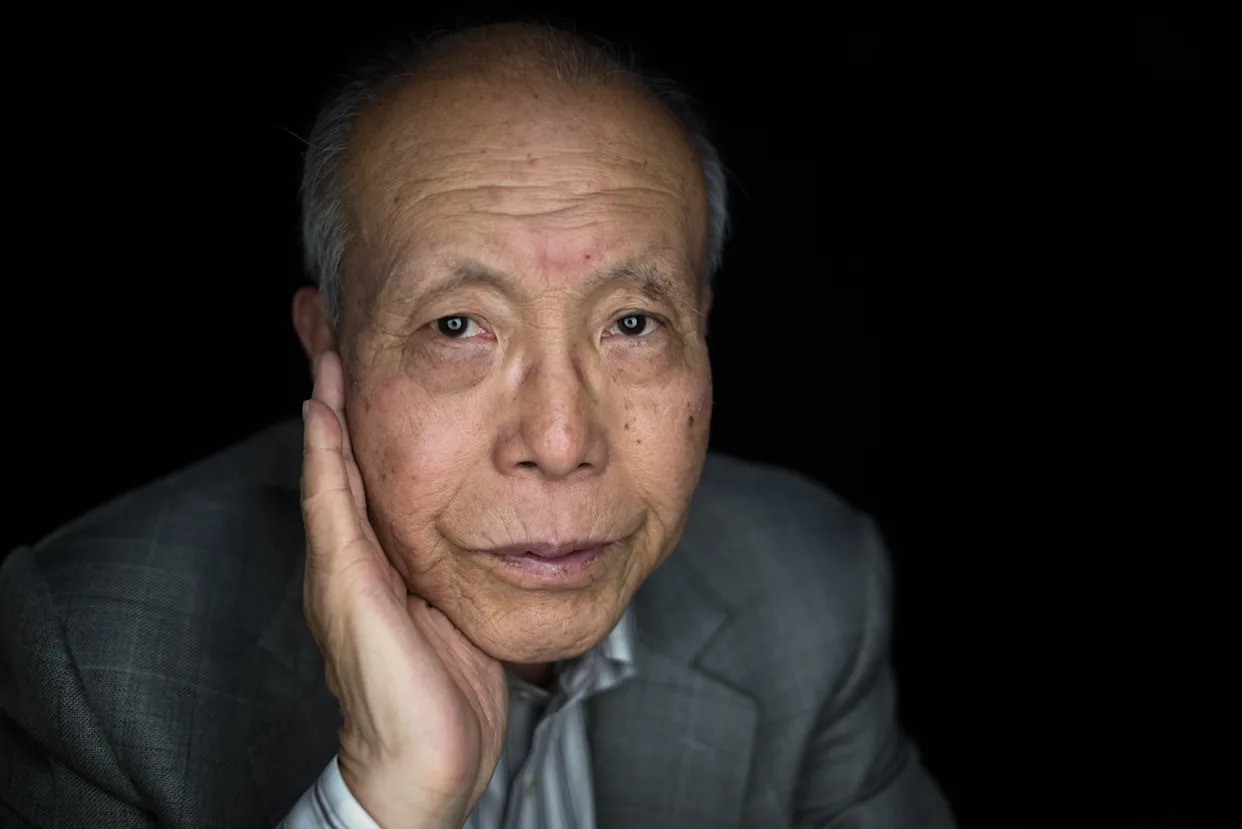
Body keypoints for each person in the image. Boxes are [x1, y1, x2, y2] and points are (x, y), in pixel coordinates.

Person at [0, 21, 956, 829]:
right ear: (329, 347)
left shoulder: (813, 589)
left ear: (701, 329)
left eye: (632, 323)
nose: (560, 440)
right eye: (458, 326)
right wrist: (380, 801)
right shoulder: (96, 653)